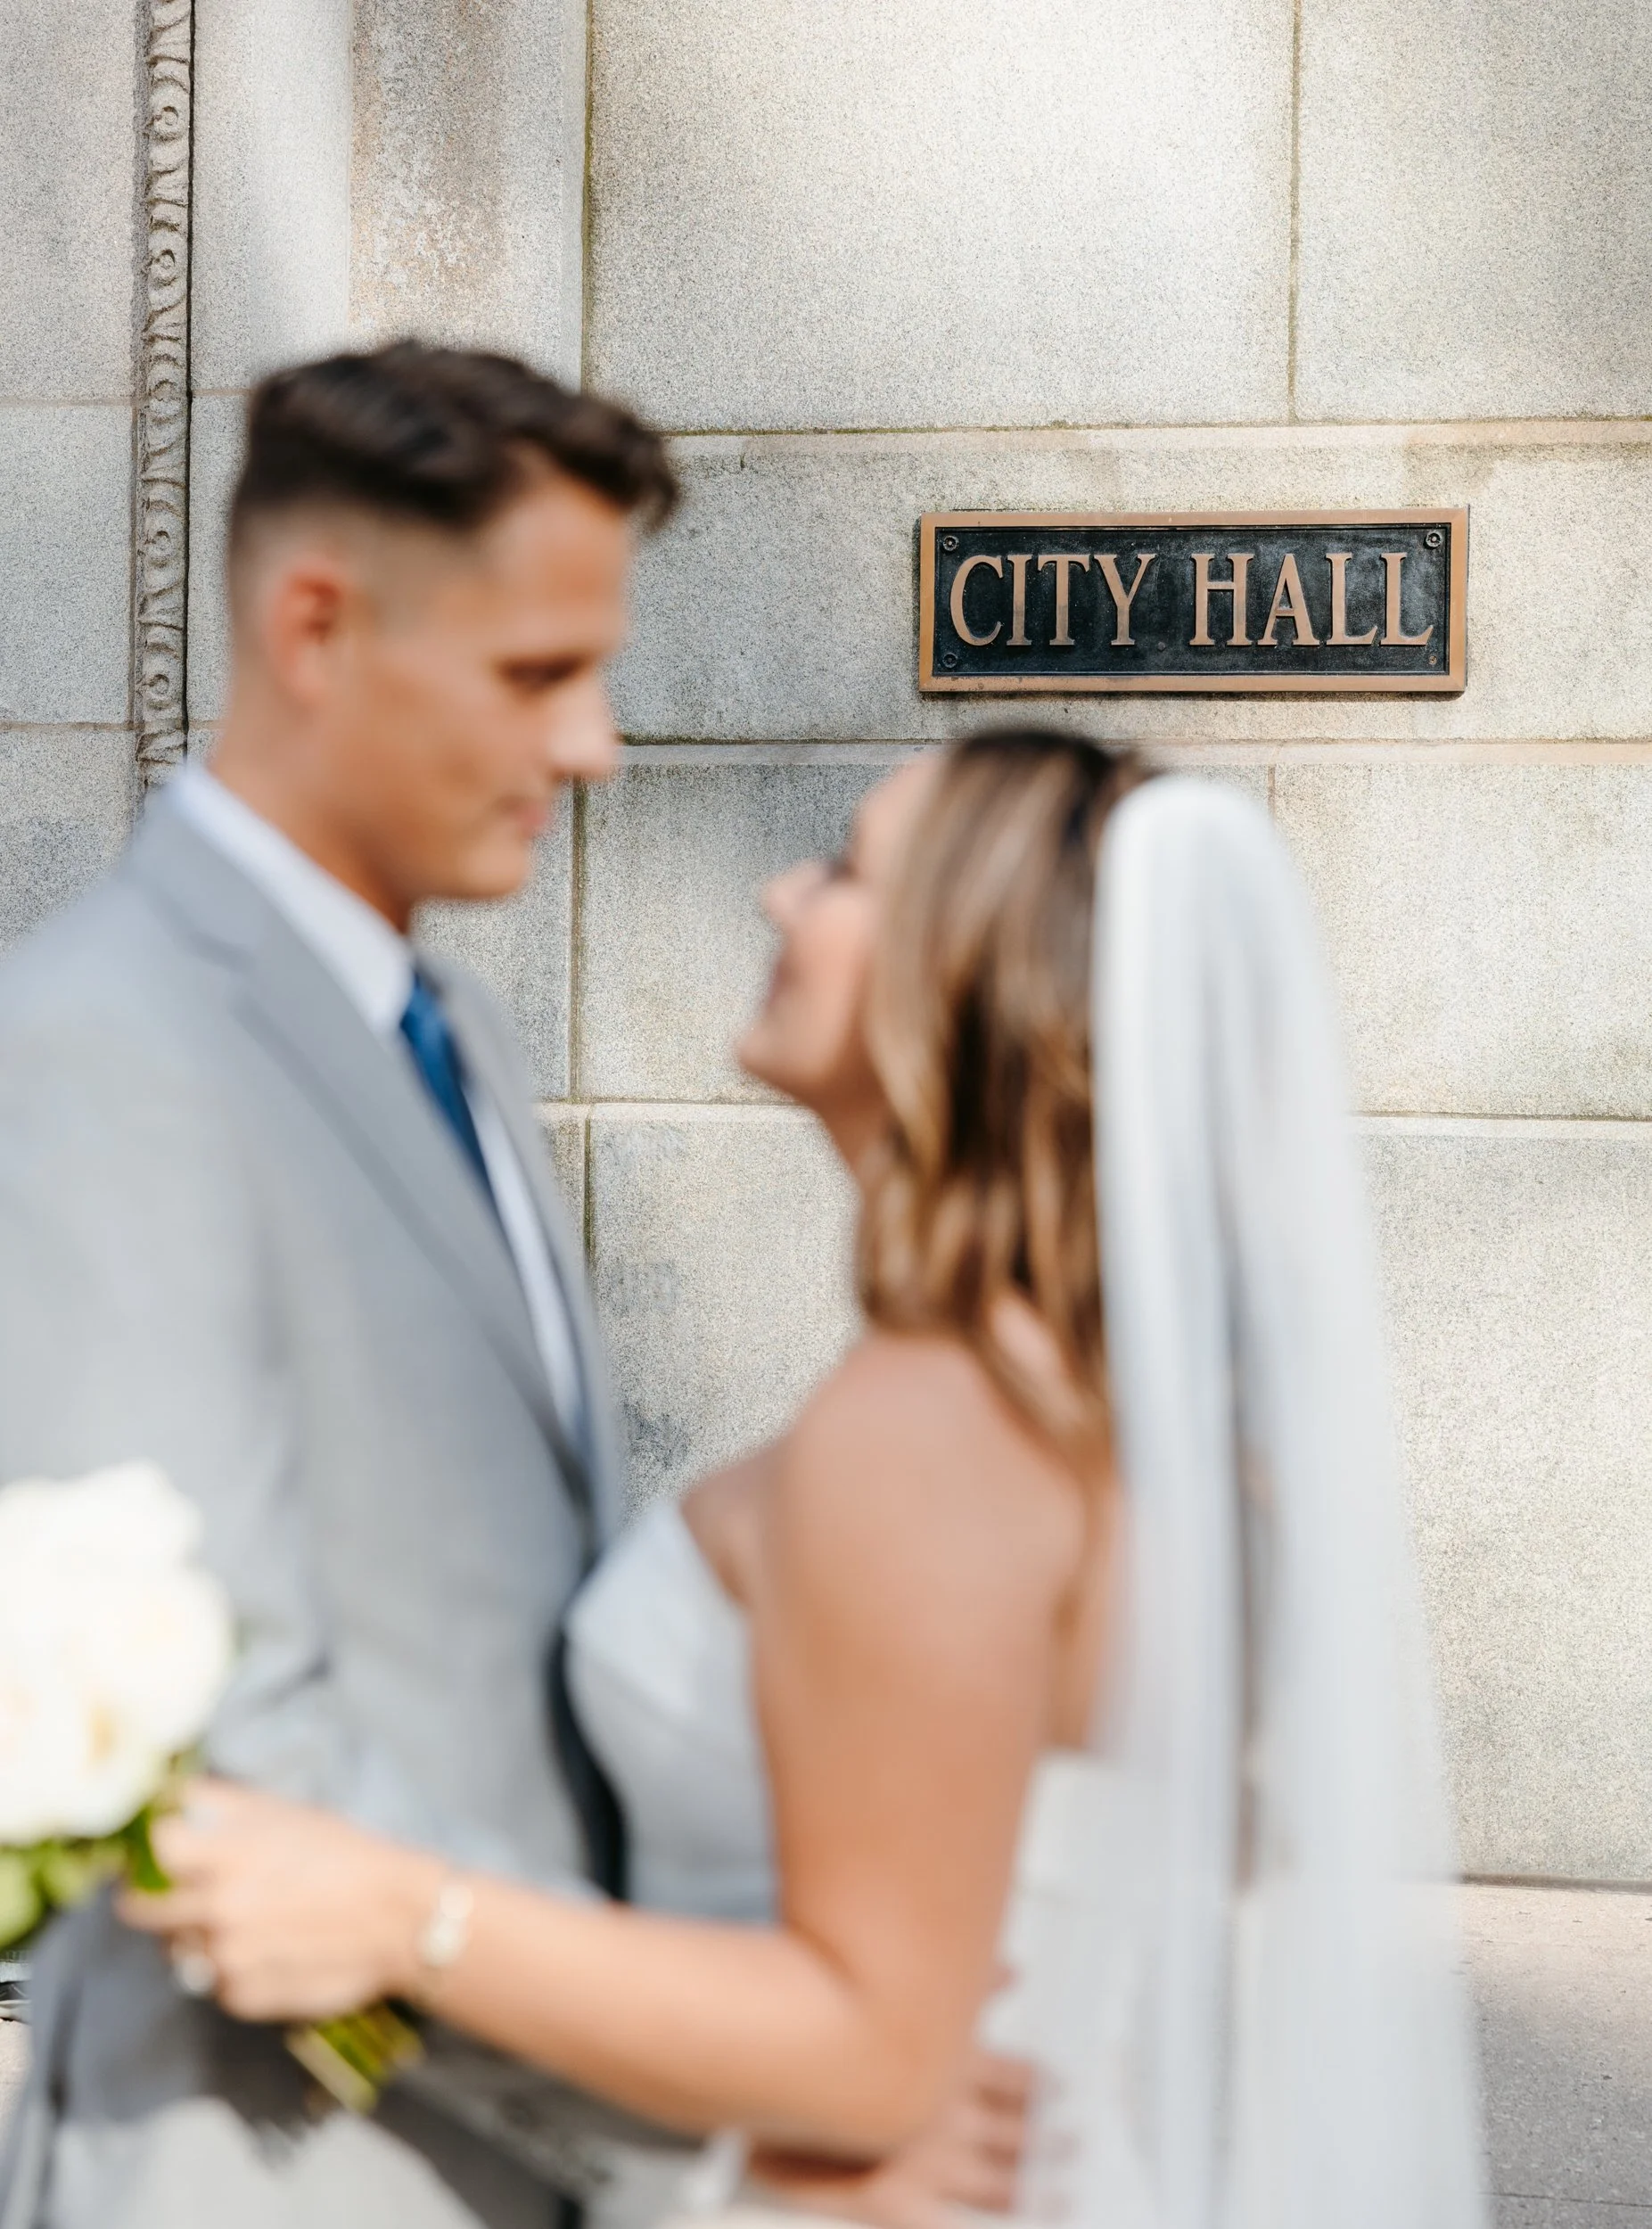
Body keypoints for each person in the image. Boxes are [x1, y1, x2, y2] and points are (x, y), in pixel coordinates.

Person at [122, 734, 1488, 2229]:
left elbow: (872, 2047)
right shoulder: (1070, 1406)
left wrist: (399, 1914)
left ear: (961, 979)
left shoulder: (935, 1427)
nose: (780, 895)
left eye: (843, 870)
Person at [0, 343, 1017, 2229]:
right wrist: (726, 2117)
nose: (594, 746)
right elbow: (232, 1757)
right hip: (280, 2164)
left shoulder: (446, 1012)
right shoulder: (102, 1043)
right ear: (314, 625)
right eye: (536, 673)